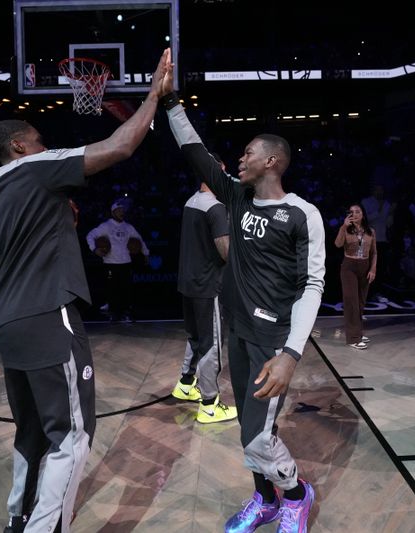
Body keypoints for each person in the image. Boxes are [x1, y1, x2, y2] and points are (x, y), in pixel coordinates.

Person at [0, 49, 171, 533]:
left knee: (32, 432)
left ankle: (18, 519)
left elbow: (38, 234)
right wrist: (153, 95)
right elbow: (120, 146)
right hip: (46, 313)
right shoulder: (36, 168)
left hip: (6, 318)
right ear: (19, 146)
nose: (45, 147)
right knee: (72, 434)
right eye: (39, 141)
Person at [161, 81, 325, 532]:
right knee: (247, 429)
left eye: (249, 152)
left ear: (271, 161)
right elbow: (196, 152)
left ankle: (295, 495)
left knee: (259, 434)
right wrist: (171, 102)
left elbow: (313, 286)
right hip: (238, 330)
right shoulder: (235, 197)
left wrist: (291, 354)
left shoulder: (302, 213)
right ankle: (263, 498)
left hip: (273, 342)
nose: (240, 158)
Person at [172, 153, 238, 424]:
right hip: (207, 285)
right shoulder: (215, 207)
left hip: (188, 282)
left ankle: (186, 384)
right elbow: (225, 250)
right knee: (211, 344)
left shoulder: (191, 201)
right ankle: (210, 404)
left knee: (195, 337)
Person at [85, 200, 149, 322]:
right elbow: (90, 235)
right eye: (119, 210)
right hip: (110, 263)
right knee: (112, 289)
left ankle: (127, 314)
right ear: (113, 212)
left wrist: (146, 253)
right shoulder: (106, 226)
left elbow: (139, 239)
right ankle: (114, 314)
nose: (121, 212)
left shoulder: (128, 227)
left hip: (125, 262)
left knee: (126, 290)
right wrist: (94, 249)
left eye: (123, 210)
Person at [334, 204, 376, 349]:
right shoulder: (346, 230)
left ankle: (357, 332)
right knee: (351, 302)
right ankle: (353, 339)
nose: (355, 214)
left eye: (357, 211)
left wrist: (373, 269)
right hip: (349, 267)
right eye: (351, 212)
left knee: (360, 303)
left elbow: (374, 253)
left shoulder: (370, 231)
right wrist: (343, 227)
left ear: (363, 214)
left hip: (364, 267)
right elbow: (338, 244)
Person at [361, 185, 391, 284]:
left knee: (381, 266)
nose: (380, 192)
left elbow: (387, 222)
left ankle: (379, 290)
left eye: (381, 190)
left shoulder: (387, 204)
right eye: (377, 190)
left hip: (383, 239)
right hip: (369, 239)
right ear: (373, 191)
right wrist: (379, 210)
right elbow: (365, 220)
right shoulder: (366, 202)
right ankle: (367, 291)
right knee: (369, 266)